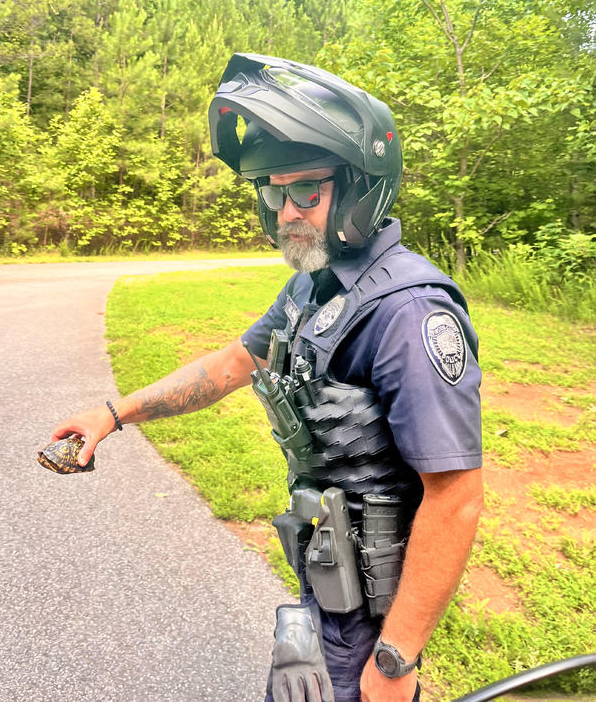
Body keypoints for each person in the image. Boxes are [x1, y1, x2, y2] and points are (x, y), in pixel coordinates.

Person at [50, 53, 483, 702]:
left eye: (306, 191)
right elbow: (232, 364)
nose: (285, 212)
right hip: (321, 577)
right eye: (273, 192)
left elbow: (455, 497)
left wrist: (395, 661)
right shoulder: (313, 287)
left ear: (361, 187)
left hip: (369, 617)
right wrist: (113, 415)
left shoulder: (408, 311)